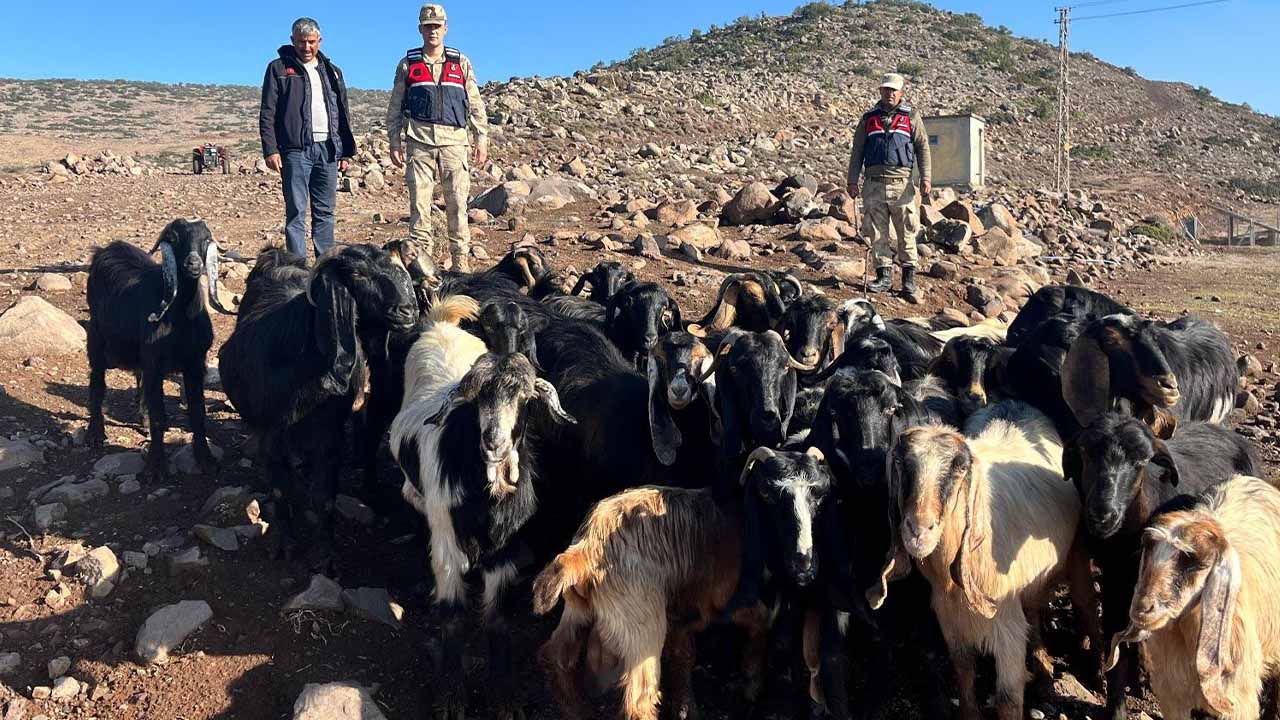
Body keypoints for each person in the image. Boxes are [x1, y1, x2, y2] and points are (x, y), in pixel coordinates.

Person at [386, 3, 489, 273]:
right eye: (428, 26)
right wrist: (394, 140)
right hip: (419, 142)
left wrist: (481, 137)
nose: (433, 30)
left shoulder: (460, 62)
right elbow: (395, 106)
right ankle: (424, 268)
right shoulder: (408, 63)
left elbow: (475, 103)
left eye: (437, 26)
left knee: (457, 205)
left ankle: (460, 264)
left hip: (454, 142)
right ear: (421, 29)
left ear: (445, 28)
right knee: (420, 208)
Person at [259, 17, 356, 261]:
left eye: (312, 42)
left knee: (325, 211)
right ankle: (298, 266)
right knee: (296, 212)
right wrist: (271, 149)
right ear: (293, 41)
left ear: (320, 41)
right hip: (295, 151)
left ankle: (325, 265)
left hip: (328, 149)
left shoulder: (333, 71)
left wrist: (344, 150)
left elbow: (342, 109)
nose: (307, 47)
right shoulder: (278, 69)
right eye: (301, 42)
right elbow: (267, 110)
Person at [847, 72, 932, 302]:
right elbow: (857, 151)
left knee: (907, 232)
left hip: (901, 184)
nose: (890, 93)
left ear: (901, 92)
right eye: (886, 89)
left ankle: (908, 280)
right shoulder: (868, 118)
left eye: (894, 90)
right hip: (873, 185)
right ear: (880, 91)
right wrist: (852, 180)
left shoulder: (912, 117)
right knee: (876, 233)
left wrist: (926, 178)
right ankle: (883, 276)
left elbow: (923, 147)